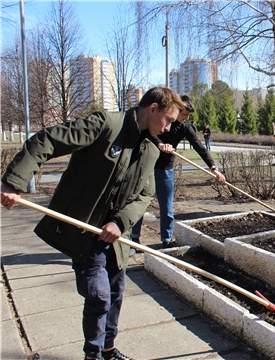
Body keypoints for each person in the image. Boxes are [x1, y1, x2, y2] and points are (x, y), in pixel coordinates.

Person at [0, 87, 184, 360]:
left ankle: (108, 350)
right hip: (84, 230)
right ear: (153, 108)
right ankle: (93, 355)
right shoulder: (105, 125)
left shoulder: (151, 150)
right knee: (99, 297)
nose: (169, 128)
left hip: (116, 238)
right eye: (168, 120)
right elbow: (47, 139)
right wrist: (13, 181)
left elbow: (144, 195)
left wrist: (120, 223)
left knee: (116, 293)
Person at [131, 95, 226, 250]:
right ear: (177, 110)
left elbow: (199, 146)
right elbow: (148, 130)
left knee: (166, 206)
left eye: (189, 116)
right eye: (185, 114)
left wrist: (213, 168)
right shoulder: (161, 118)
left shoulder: (185, 127)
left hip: (165, 169)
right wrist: (160, 144)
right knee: (141, 203)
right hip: (147, 166)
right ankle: (134, 239)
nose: (186, 118)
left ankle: (166, 240)